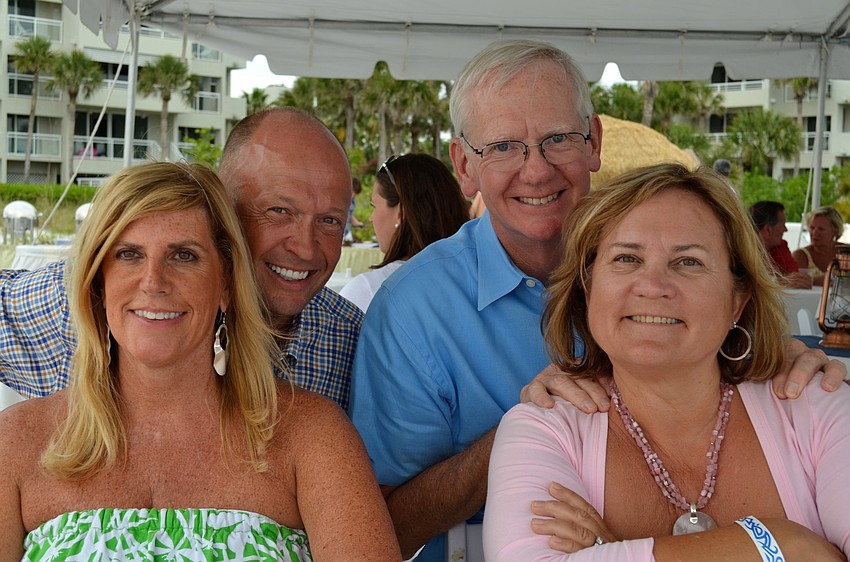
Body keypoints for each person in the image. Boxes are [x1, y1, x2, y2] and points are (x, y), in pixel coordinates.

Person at [348, 39, 846, 562]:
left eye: (557, 138)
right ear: (463, 165)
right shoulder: (412, 311)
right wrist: (525, 429)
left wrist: (762, 356)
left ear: (594, 142)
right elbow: (387, 528)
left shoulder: (806, 406)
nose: (535, 170)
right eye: (502, 147)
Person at [0, 162, 401, 560]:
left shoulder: (312, 438)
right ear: (99, 284)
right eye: (128, 254)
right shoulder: (16, 444)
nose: (154, 281)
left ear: (225, 284)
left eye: (184, 256)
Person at [484, 163, 849, 560]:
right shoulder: (542, 427)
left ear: (737, 299)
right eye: (626, 258)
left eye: (688, 262)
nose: (653, 286)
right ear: (588, 289)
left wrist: (611, 549)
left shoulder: (819, 406)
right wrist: (781, 545)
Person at [0, 107, 363, 412]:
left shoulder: (354, 346)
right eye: (279, 211)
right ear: (223, 208)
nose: (305, 249)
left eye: (329, 221)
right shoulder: (89, 297)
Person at [339, 153, 469, 312]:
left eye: (374, 206)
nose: (372, 218)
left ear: (400, 213)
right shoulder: (474, 282)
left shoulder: (370, 291)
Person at [749, 200, 812, 289]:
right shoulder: (739, 248)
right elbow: (740, 283)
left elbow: (794, 276)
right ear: (768, 230)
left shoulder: (779, 246)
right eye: (783, 224)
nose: (785, 229)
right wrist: (779, 281)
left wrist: (791, 280)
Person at [793, 205, 845, 287]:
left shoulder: (846, 252)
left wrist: (815, 280)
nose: (815, 233)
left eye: (821, 229)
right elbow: (797, 282)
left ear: (835, 231)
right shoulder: (801, 255)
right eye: (812, 228)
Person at [344, 177, 365, 245]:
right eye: (352, 193)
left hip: (347, 231)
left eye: (354, 194)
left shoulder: (352, 200)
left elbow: (349, 215)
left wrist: (357, 223)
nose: (353, 196)